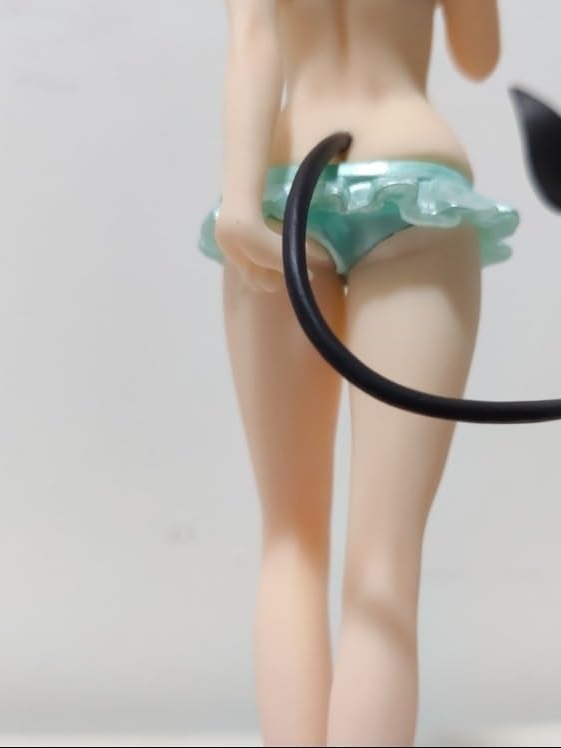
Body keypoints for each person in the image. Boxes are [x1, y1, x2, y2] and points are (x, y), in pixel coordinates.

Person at [198, 2, 518, 744]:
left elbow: (253, 39)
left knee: (290, 541)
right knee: (386, 558)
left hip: (280, 194)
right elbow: (478, 57)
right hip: (414, 185)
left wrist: (240, 204)